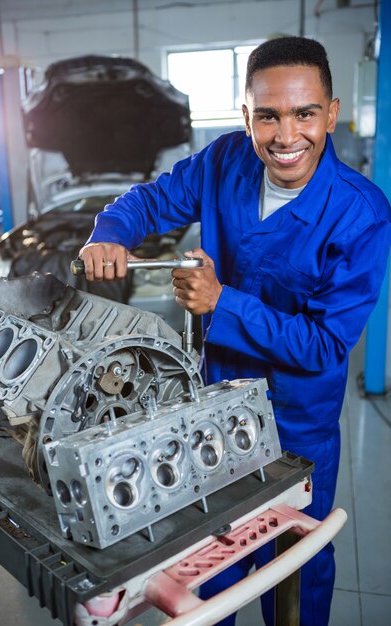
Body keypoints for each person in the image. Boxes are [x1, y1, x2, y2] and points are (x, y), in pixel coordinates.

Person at [79, 36, 391, 626]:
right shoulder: (224, 161)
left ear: (332, 112)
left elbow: (325, 345)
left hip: (298, 422)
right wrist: (112, 230)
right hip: (215, 409)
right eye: (267, 115)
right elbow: (150, 200)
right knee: (206, 561)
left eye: (305, 114)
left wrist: (222, 304)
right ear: (245, 116)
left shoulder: (362, 212)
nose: (286, 136)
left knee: (294, 563)